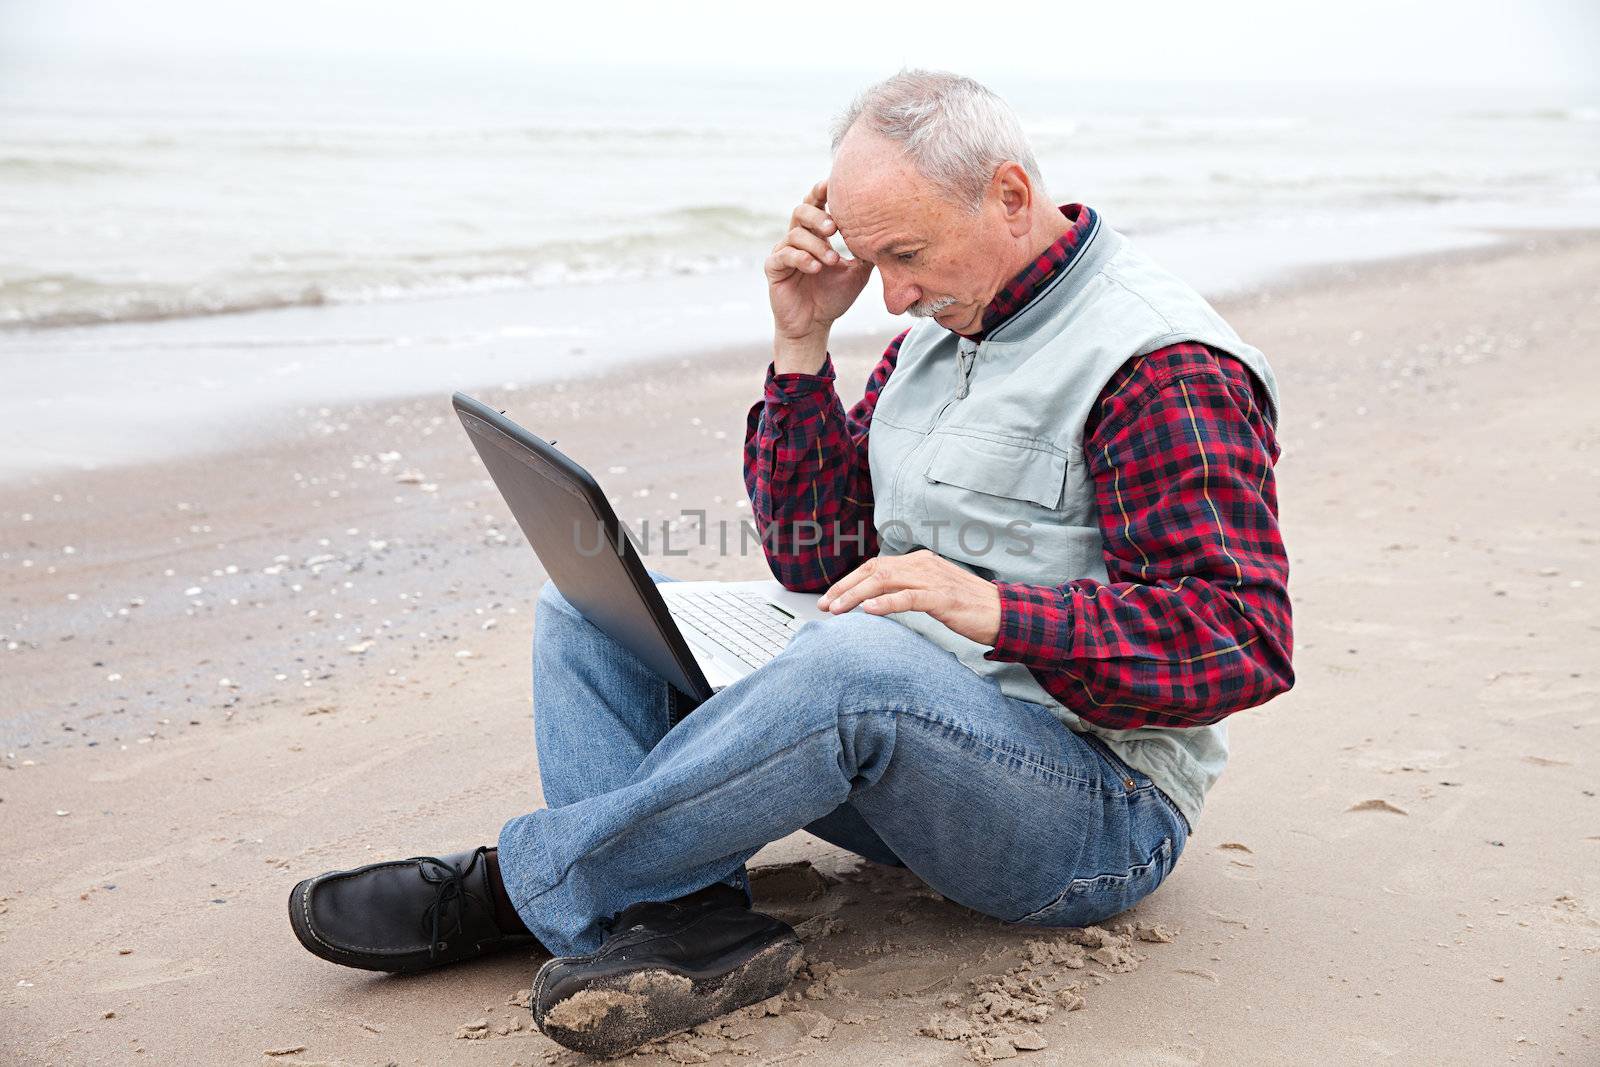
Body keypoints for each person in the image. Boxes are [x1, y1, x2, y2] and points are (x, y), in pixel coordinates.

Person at [286, 69, 1293, 1057]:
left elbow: (1239, 639)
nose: (890, 294)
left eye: (905, 254)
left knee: (853, 668)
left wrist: (994, 608)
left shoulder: (1160, 363)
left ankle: (517, 885)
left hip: (1093, 815)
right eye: (871, 258)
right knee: (584, 602)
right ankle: (688, 923)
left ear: (1011, 196)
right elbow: (816, 559)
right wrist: (802, 340)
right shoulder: (939, 325)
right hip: (898, 748)